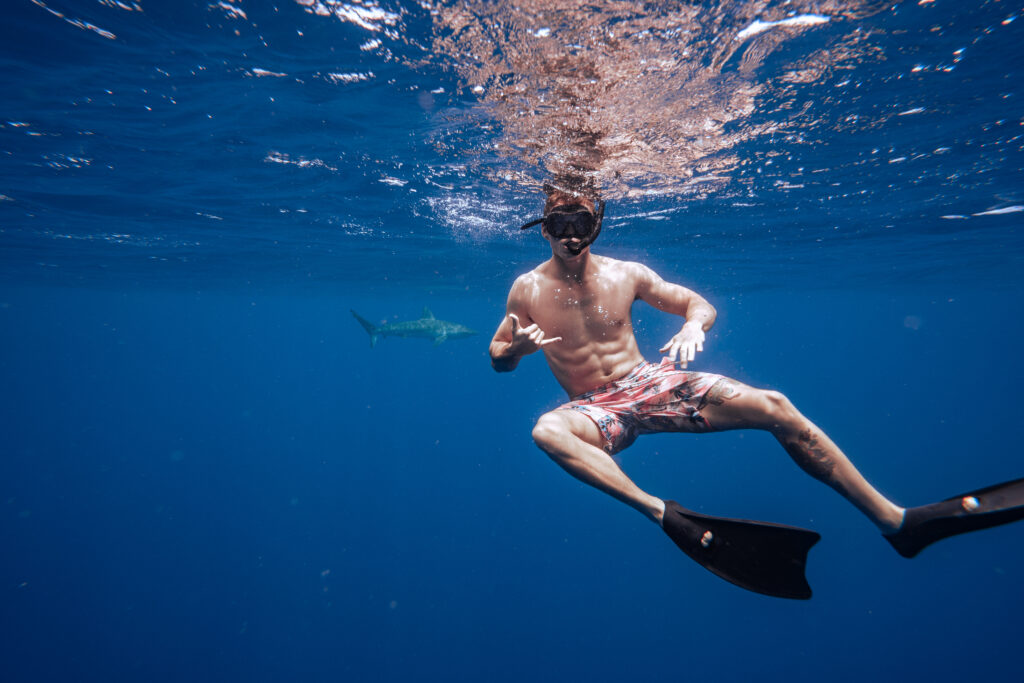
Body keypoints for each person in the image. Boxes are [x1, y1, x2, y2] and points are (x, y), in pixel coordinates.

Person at [488, 186, 1024, 599]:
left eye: (581, 222)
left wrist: (695, 327)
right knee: (545, 430)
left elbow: (697, 304)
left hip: (652, 385)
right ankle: (665, 515)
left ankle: (897, 522)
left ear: (598, 225)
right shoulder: (528, 288)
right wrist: (517, 351)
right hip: (595, 410)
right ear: (544, 230)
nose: (571, 235)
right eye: (559, 224)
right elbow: (498, 357)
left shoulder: (628, 274)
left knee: (776, 406)